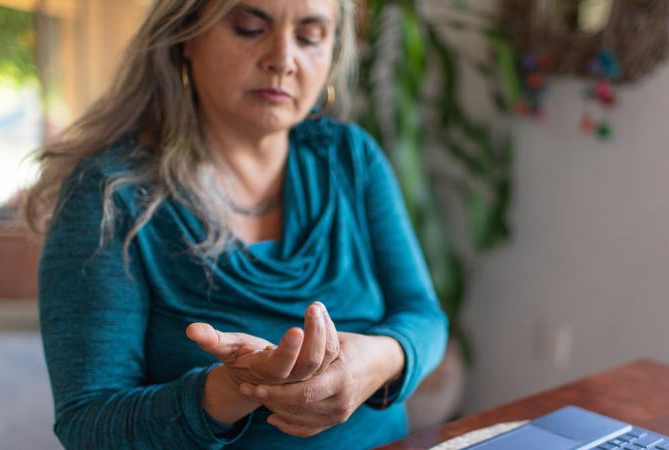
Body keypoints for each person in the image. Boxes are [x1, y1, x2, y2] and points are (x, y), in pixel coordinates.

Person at [24, 0, 448, 449]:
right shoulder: (108, 196)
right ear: (186, 36)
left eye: (309, 37)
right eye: (249, 27)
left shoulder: (351, 158)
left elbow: (422, 313)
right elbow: (88, 425)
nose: (283, 59)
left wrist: (380, 359)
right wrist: (229, 390)